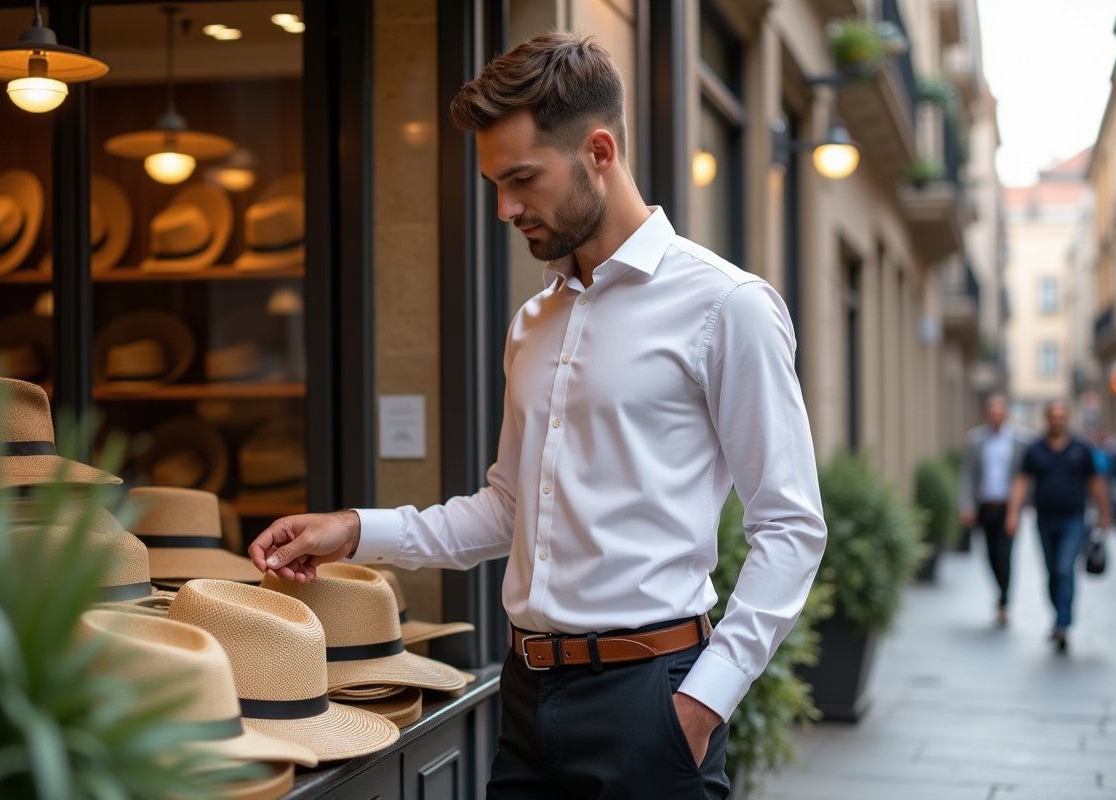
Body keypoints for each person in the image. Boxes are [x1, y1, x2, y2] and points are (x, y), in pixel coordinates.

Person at [250, 32, 826, 799]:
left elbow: (791, 526)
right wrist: (353, 529)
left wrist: (702, 702)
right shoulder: (533, 322)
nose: (505, 209)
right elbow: (508, 510)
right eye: (495, 183)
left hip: (650, 703)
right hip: (525, 699)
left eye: (522, 179)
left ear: (598, 151)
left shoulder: (727, 307)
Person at [1007, 401, 1110, 654]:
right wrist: (1013, 512)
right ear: (1047, 419)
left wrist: (1105, 513)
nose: (1057, 420)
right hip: (1044, 519)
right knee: (1052, 571)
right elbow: (1021, 481)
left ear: (1067, 419)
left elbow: (1095, 481)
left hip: (1074, 519)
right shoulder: (1035, 449)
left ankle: (1064, 624)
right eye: (1053, 416)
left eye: (1061, 416)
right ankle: (1058, 616)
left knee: (1065, 568)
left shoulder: (1080, 448)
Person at [959, 395, 1029, 626]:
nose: (996, 417)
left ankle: (1004, 600)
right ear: (987, 414)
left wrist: (1023, 506)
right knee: (989, 554)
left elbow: (1026, 477)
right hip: (985, 506)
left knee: (1004, 554)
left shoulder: (1021, 440)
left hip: (1009, 508)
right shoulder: (975, 440)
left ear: (1006, 413)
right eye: (992, 412)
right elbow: (968, 474)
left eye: (999, 412)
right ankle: (1000, 593)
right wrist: (967, 504)